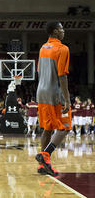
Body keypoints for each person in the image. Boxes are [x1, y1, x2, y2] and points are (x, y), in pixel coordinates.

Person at [35, 20, 71, 177]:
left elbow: (39, 72)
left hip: (41, 92)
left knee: (47, 129)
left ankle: (43, 166)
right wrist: (67, 99)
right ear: (55, 31)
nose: (64, 31)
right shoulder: (62, 49)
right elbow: (62, 76)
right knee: (66, 127)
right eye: (61, 29)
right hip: (54, 92)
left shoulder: (43, 48)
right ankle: (46, 154)